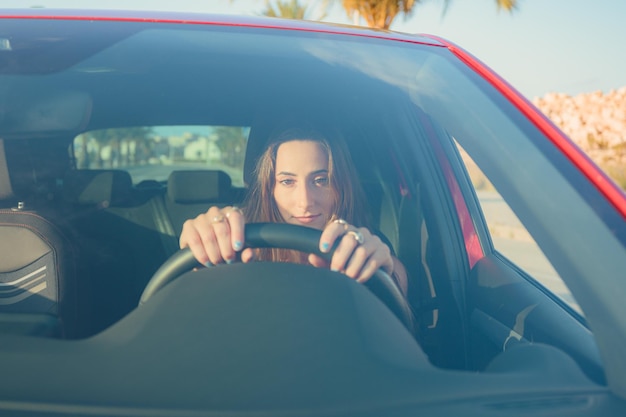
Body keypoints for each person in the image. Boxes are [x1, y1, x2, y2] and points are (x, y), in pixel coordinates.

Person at [179, 126, 408, 295]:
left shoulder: (370, 255)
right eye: (288, 182)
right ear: (270, 189)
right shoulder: (238, 247)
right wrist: (204, 251)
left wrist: (381, 276)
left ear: (342, 185)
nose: (305, 201)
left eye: (321, 180)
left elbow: (403, 334)